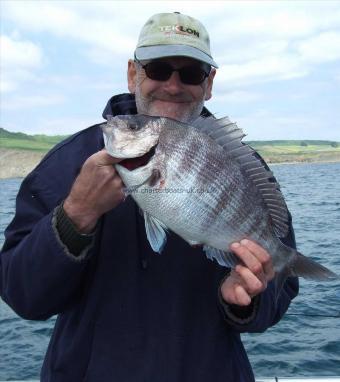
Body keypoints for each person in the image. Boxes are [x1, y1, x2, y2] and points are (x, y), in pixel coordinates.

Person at [0, 12, 298, 382]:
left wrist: (245, 300)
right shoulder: (67, 163)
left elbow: (279, 294)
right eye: (158, 68)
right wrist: (75, 215)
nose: (173, 86)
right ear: (133, 74)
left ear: (209, 84)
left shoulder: (246, 169)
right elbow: (22, 294)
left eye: (190, 73)